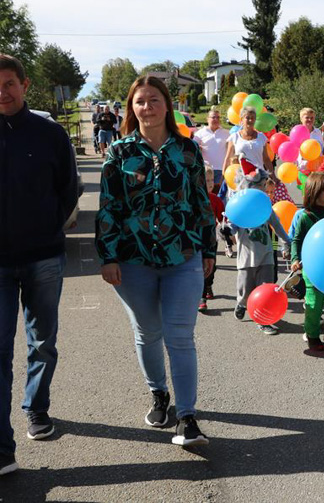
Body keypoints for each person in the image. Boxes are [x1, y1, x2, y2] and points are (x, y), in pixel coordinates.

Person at [96, 75, 216, 447]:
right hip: (133, 261)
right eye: (139, 102)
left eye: (153, 100)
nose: (147, 107)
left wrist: (208, 249)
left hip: (183, 256)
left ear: (167, 104)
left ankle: (187, 417)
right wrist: (108, 256)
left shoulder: (188, 150)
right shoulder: (120, 152)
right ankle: (159, 394)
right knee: (148, 333)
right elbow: (109, 207)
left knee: (180, 337)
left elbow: (201, 203)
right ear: (131, 109)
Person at [0, 54, 79, 475]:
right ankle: (1, 449)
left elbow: (69, 188)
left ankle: (36, 408)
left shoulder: (49, 134)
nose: (2, 92)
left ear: (24, 85)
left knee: (42, 343)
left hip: (43, 257)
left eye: (9, 83)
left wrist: (48, 226)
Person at [228, 161, 291, 336]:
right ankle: (241, 303)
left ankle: (264, 320)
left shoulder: (266, 206)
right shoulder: (242, 207)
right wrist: (226, 231)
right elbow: (232, 225)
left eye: (264, 186)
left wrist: (286, 241)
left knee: (266, 288)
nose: (263, 190)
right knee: (245, 289)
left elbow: (277, 225)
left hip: (266, 254)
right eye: (260, 186)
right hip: (247, 256)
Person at [289, 172, 324, 353]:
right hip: (312, 270)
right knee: (313, 306)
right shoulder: (305, 217)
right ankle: (312, 336)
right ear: (314, 191)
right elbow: (297, 240)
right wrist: (295, 258)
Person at [199, 165, 224, 314]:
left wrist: (227, 231)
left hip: (211, 238)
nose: (209, 183)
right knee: (199, 267)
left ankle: (208, 285)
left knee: (211, 267)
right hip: (195, 238)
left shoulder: (215, 200)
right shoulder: (192, 198)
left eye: (210, 180)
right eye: (205, 180)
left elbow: (222, 218)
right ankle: (201, 297)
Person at [223, 106, 273, 173]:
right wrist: (223, 177)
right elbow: (228, 159)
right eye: (247, 118)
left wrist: (274, 177)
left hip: (259, 178)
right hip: (241, 179)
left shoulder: (261, 137)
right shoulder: (235, 137)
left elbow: (266, 159)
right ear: (241, 120)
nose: (250, 120)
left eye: (253, 118)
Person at [194, 107, 230, 191]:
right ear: (207, 119)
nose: (216, 119)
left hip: (221, 171)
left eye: (218, 117)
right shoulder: (199, 134)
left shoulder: (226, 133)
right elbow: (193, 148)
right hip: (206, 170)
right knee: (207, 195)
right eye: (213, 117)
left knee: (219, 195)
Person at [296, 107, 324, 173]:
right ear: (301, 119)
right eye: (307, 117)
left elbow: (322, 149)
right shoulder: (297, 133)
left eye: (312, 118)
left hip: (318, 170)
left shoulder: (318, 132)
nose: (310, 119)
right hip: (303, 169)